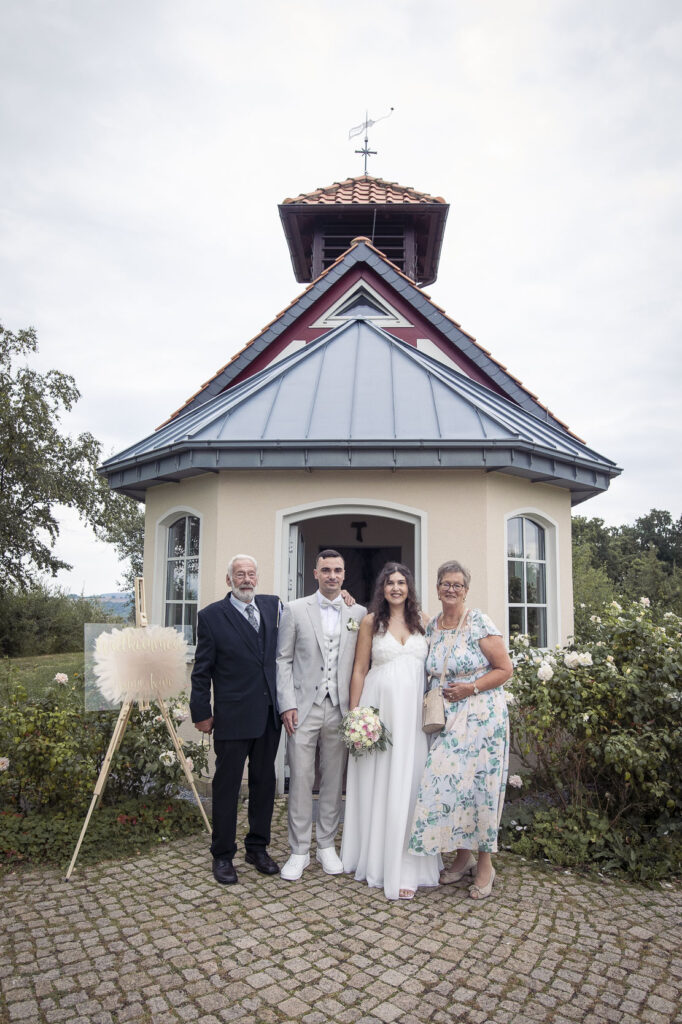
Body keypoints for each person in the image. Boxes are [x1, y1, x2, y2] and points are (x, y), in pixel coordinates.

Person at [408, 560, 513, 899]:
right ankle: (461, 856)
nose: (451, 589)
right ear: (437, 588)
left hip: (482, 718)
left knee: (481, 788)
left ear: (466, 590)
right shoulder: (432, 626)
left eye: (457, 584)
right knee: (452, 787)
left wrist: (471, 687)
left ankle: (485, 864)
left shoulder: (478, 621)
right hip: (447, 719)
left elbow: (505, 668)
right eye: (445, 583)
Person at [341, 562, 440, 900]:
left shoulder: (424, 620)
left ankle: (409, 864)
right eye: (389, 583)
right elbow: (359, 669)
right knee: (379, 780)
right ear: (382, 588)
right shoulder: (371, 622)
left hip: (413, 715)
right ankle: (376, 858)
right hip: (379, 709)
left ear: (409, 587)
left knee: (410, 781)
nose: (396, 588)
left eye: (401, 582)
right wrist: (355, 715)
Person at [190, 554, 282, 885]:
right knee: (227, 787)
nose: (246, 579)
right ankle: (223, 855)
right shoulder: (211, 616)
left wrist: (344, 596)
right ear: (229, 580)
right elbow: (201, 671)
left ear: (257, 578)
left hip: (268, 715)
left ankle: (257, 848)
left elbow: (309, 612)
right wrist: (201, 712)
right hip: (232, 717)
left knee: (264, 784)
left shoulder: (273, 606)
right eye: (239, 574)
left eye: (251, 574)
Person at [276, 550, 366, 881]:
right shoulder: (295, 609)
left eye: (337, 570)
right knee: (301, 778)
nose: (332, 575)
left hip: (340, 707)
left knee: (333, 779)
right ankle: (299, 850)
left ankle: (326, 844)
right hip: (303, 707)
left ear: (344, 574)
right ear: (315, 573)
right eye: (326, 570)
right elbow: (283, 659)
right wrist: (287, 703)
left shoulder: (358, 612)